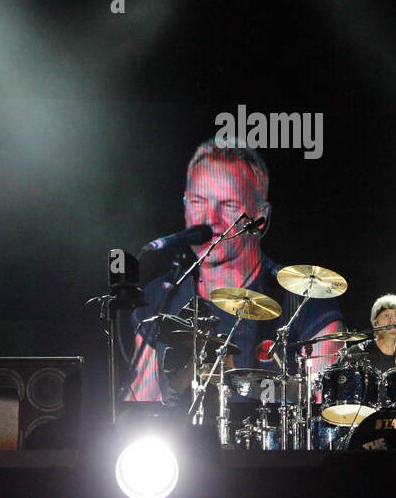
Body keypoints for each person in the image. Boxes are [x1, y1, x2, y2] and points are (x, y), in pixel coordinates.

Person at [124, 140, 344, 405]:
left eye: (228, 205)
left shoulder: (305, 298)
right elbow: (142, 398)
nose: (210, 219)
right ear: (184, 204)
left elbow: (327, 403)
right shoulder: (160, 297)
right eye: (198, 201)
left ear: (260, 216)